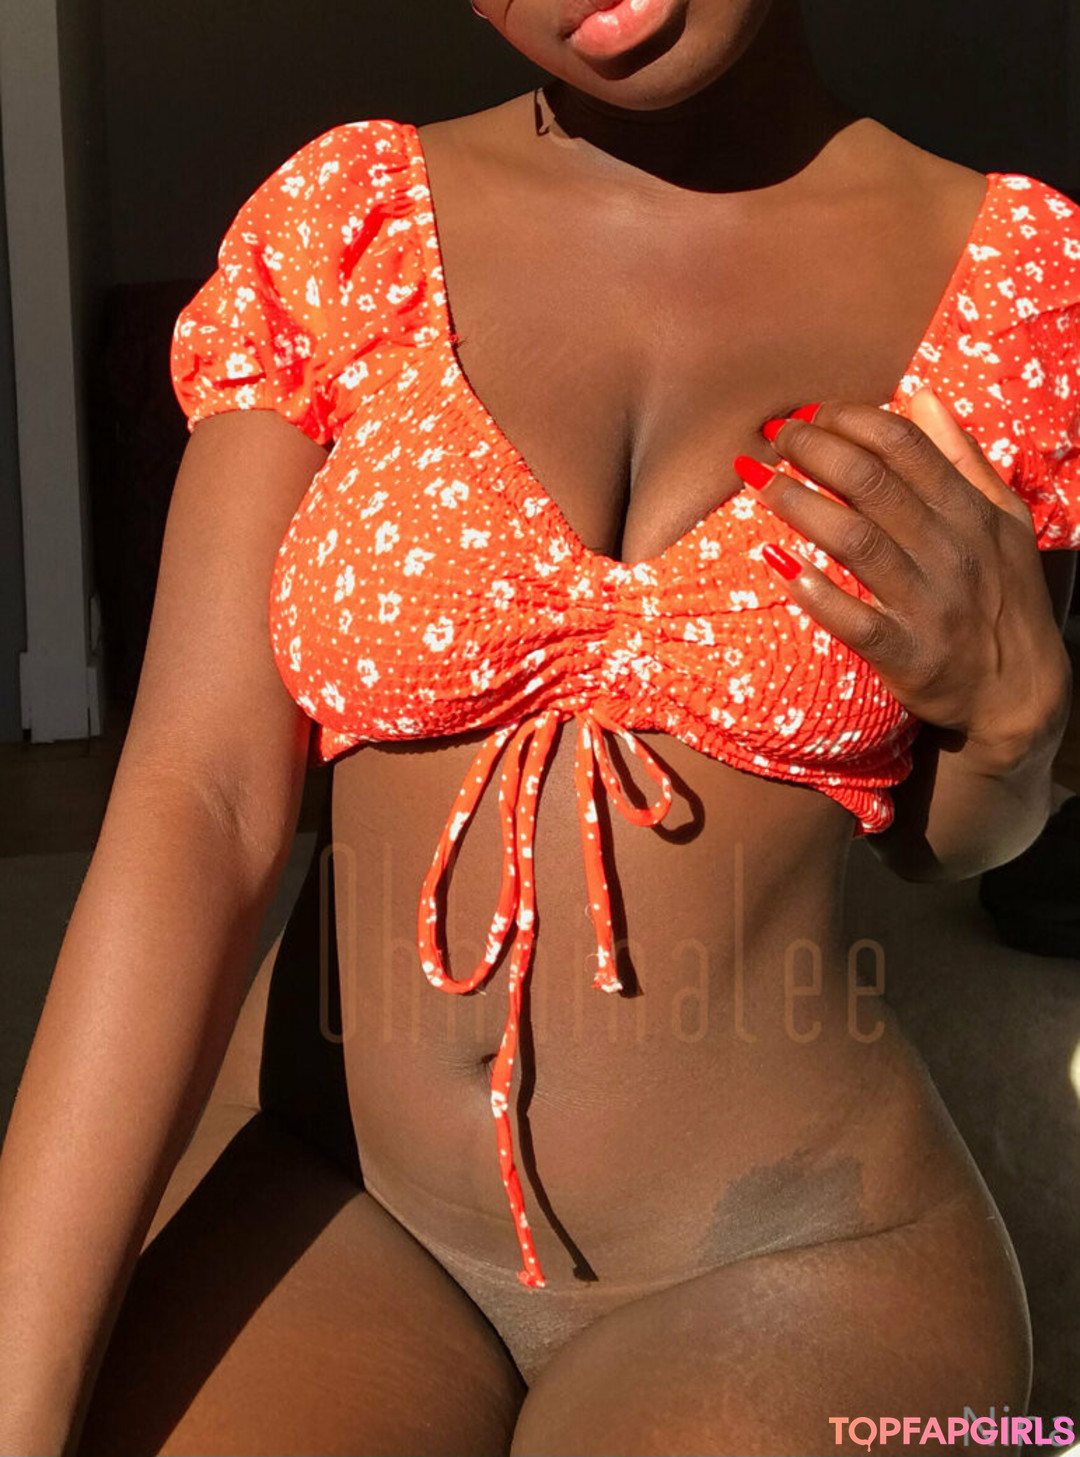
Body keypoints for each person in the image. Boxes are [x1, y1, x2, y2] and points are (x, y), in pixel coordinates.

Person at [1, 1, 1078, 1452]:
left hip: (798, 1253)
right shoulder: (349, 223)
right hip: (340, 1193)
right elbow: (199, 807)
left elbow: (944, 845)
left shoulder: (1017, 284)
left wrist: (1015, 729)